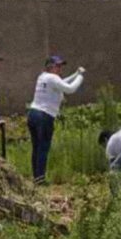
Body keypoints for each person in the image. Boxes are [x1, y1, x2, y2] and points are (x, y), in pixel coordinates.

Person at [27, 56, 86, 185]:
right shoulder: (52, 78)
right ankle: (40, 180)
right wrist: (81, 76)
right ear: (50, 67)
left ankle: (37, 178)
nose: (60, 69)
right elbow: (69, 89)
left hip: (33, 114)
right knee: (43, 148)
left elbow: (61, 83)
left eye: (61, 66)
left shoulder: (43, 77)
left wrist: (75, 74)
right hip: (44, 116)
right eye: (58, 66)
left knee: (36, 147)